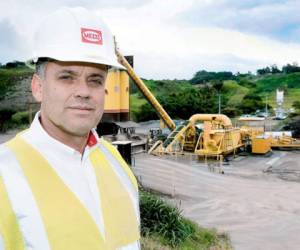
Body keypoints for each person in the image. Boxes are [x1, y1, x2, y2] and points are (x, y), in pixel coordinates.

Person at [0, 7, 140, 250]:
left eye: (95, 80)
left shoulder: (117, 164)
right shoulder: (5, 174)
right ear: (38, 87)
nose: (84, 92)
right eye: (67, 77)